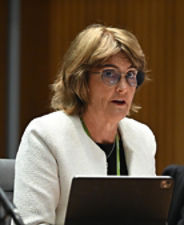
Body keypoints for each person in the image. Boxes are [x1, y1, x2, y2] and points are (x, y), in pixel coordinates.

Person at [13, 24, 156, 225]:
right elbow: (32, 223)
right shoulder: (45, 136)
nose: (123, 88)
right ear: (82, 80)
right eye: (110, 74)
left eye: (131, 75)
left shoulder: (142, 138)